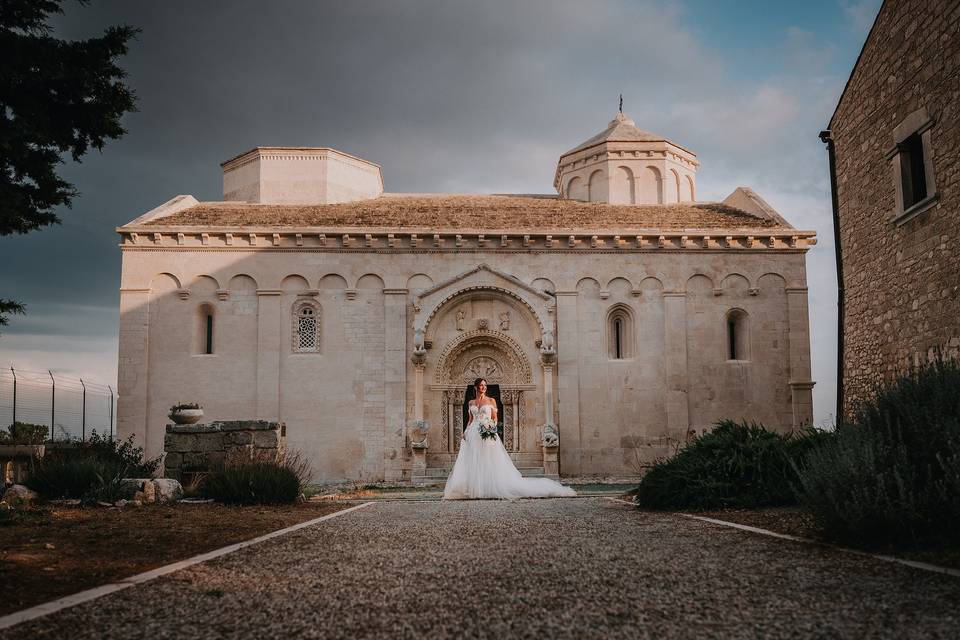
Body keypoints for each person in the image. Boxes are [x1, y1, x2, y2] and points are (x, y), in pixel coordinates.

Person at [443, 377, 576, 500]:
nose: (483, 387)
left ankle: (491, 487)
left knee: (488, 460)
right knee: (474, 460)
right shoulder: (471, 402)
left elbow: (495, 419)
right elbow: (471, 419)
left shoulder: (491, 401)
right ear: (476, 387)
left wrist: (490, 429)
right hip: (472, 433)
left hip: (486, 432)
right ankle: (476, 488)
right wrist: (465, 431)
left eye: (485, 385)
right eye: (481, 385)